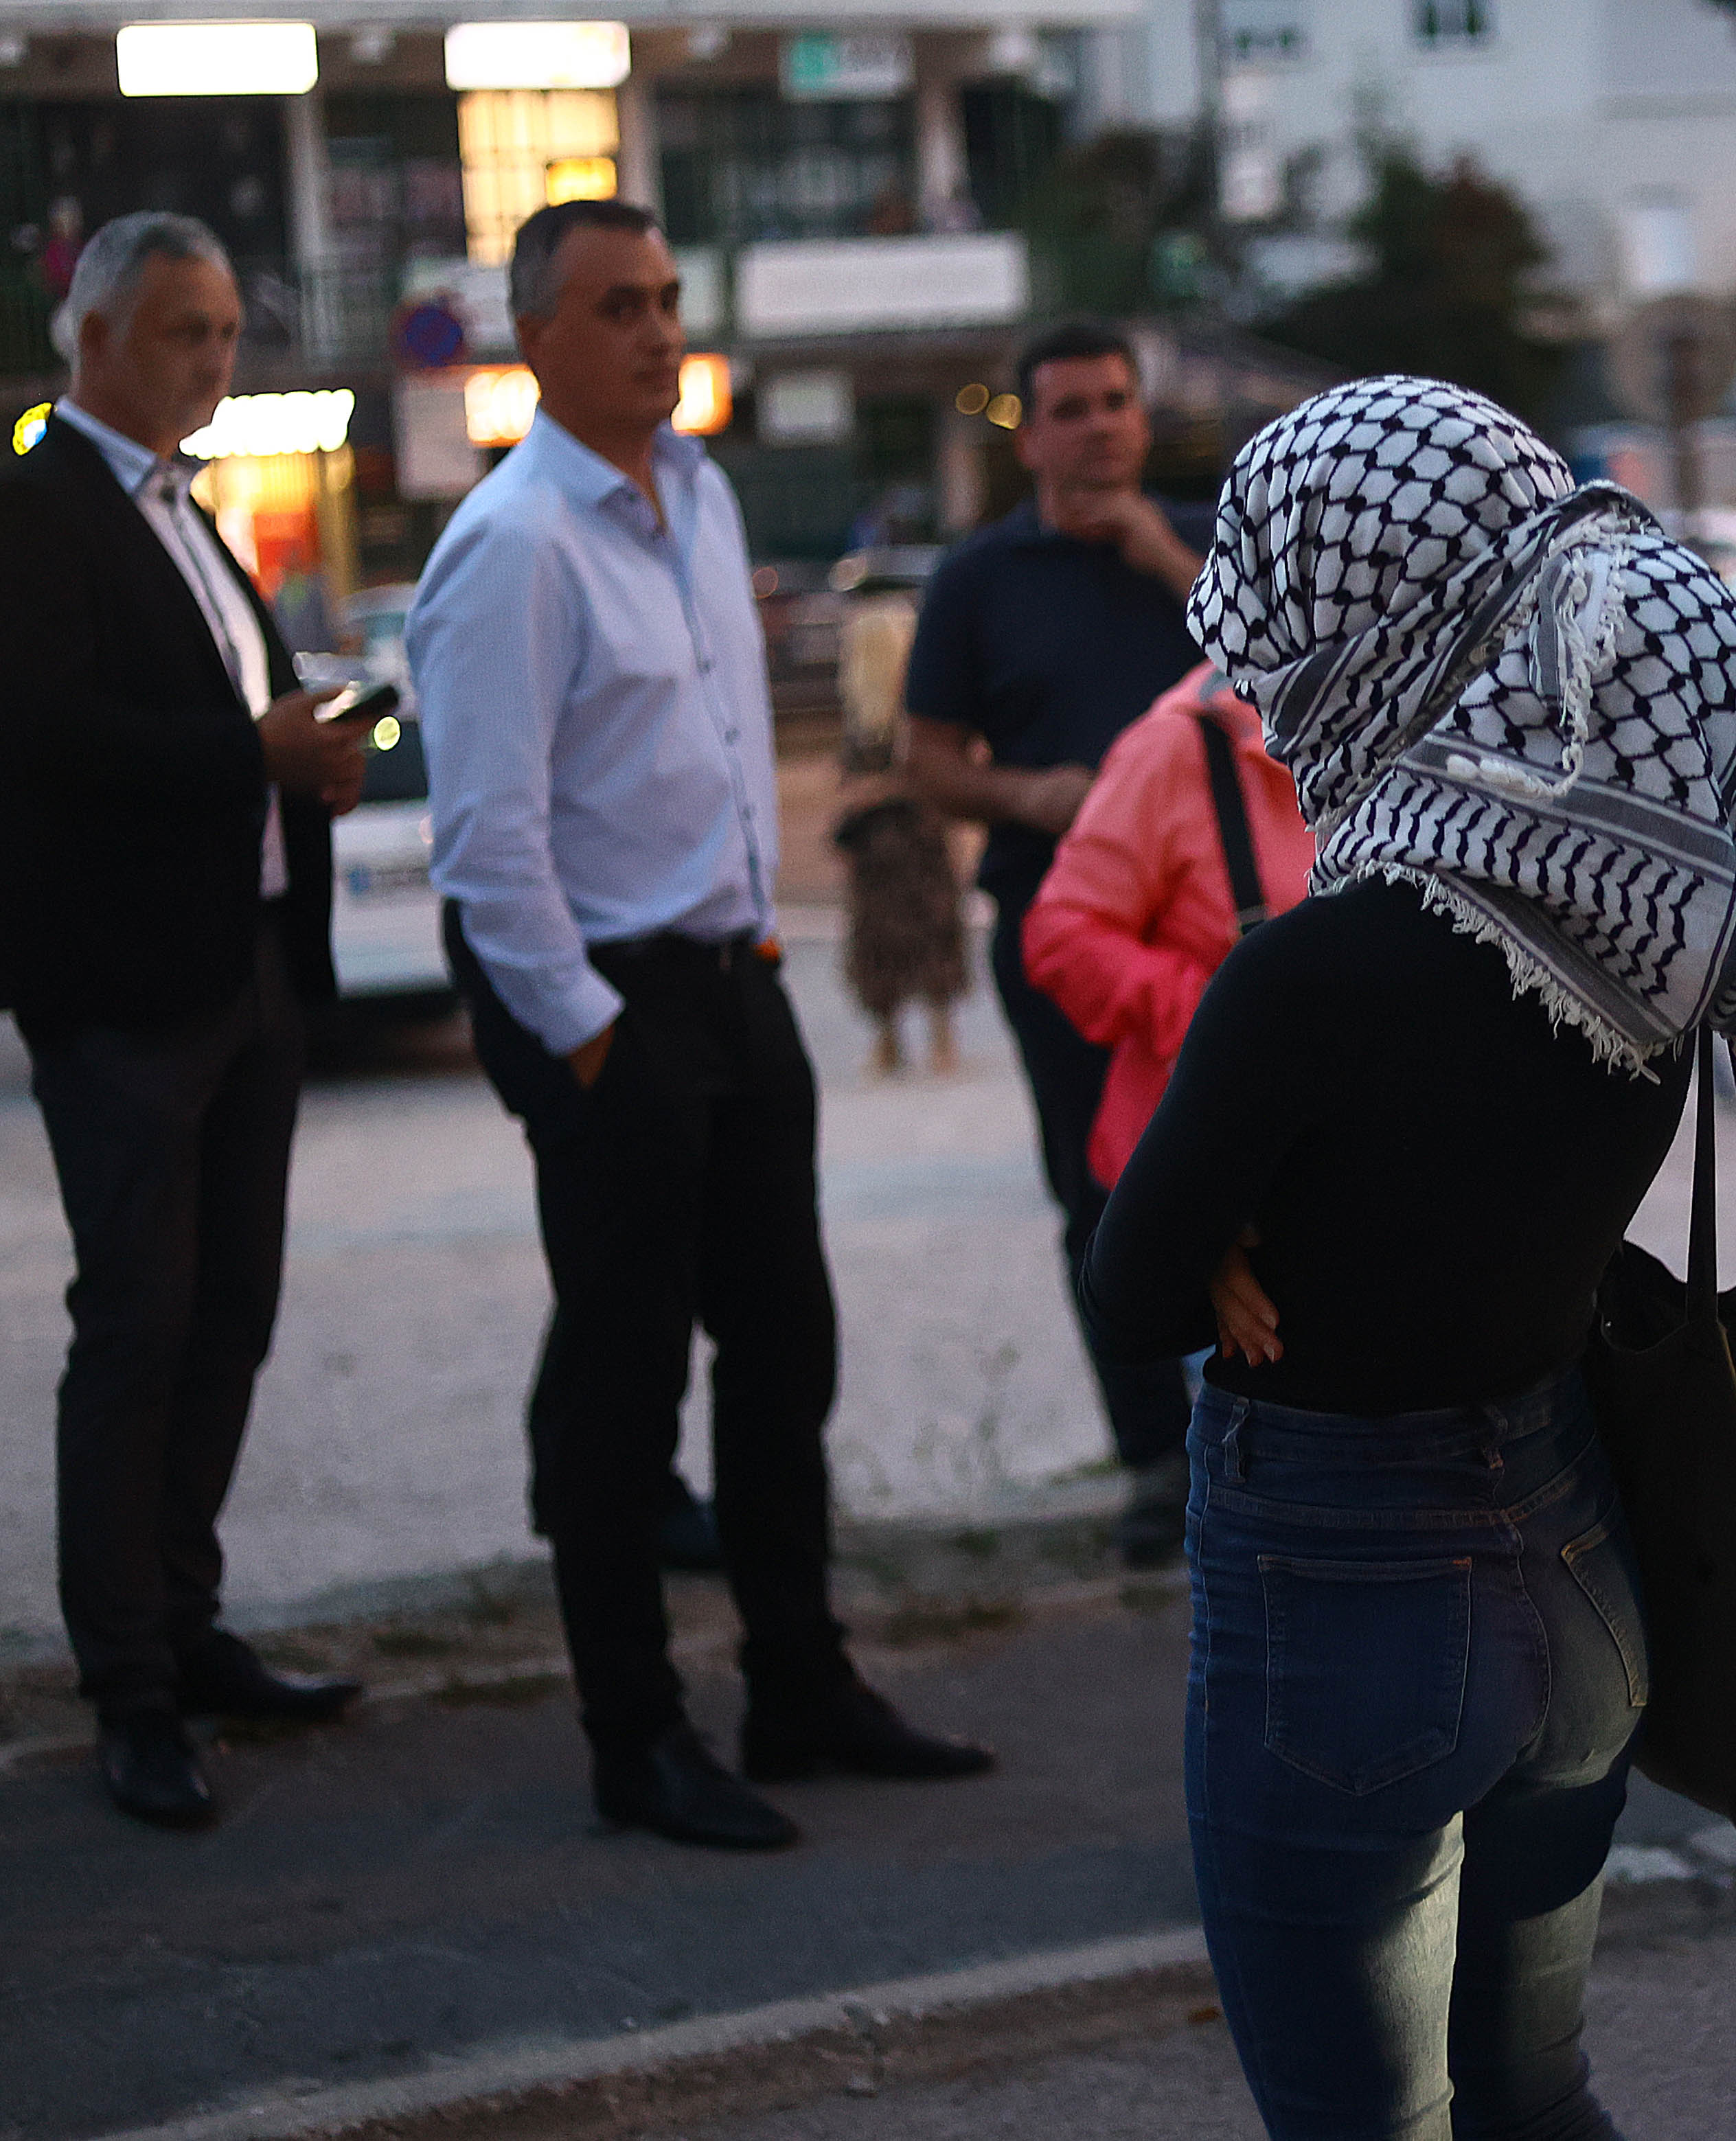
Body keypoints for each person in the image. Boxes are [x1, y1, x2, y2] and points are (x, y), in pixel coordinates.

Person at [1086, 376, 1736, 2141]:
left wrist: (1213, 1214)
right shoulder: (1649, 938)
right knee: (1534, 2095)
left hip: (1345, 1587)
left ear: (1367, 620)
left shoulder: (1312, 974)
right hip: (1577, 1571)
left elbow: (1132, 1290)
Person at [413, 199, 989, 1853]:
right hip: (615, 998)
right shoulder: (514, 543)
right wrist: (592, 1036)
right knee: (621, 1388)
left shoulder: (699, 492)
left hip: (738, 980)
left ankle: (797, 1684)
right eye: (614, 308)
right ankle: (635, 1736)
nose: (657, 333)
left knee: (783, 1354)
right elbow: (487, 844)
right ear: (536, 338)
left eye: (667, 300)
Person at [0, 211, 374, 1830]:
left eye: (226, 333)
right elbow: (47, 736)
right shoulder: (37, 505)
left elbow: (218, 725)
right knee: (138, 1329)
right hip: (129, 997)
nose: (214, 362)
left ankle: (189, 1617)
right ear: (94, 337)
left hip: (247, 979)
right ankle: (129, 1689)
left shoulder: (188, 513)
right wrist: (260, 758)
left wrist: (312, 758)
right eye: (182, 333)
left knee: (230, 1313)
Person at [902, 319, 1215, 1565]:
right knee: (1105, 1190)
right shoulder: (979, 580)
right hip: (1068, 935)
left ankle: (1291, 1433)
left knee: (1274, 1172)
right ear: (1030, 435)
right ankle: (1154, 1455)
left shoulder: (1206, 546)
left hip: (1232, 933)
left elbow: (1300, 685)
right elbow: (926, 761)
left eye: (1116, 402)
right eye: (1071, 408)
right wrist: (1038, 796)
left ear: (1144, 417)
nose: (1097, 426)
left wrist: (1165, 558)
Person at [1019, 662, 1312, 1202]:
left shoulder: (1440, 729)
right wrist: (1207, 1014)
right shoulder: (1176, 745)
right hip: (1202, 1171)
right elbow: (1062, 932)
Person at [832, 573, 968, 1077]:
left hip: (894, 839)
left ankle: (911, 1043)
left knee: (895, 941)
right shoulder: (913, 706)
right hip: (904, 840)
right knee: (916, 937)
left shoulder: (895, 713)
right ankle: (927, 1041)